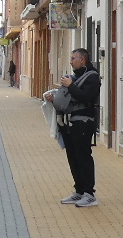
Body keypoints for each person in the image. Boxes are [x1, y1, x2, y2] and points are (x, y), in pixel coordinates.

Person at [43, 48, 100, 207]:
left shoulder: (92, 77)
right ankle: (79, 191)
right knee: (73, 158)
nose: (71, 61)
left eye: (73, 58)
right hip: (70, 123)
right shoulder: (76, 77)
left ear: (82, 60)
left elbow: (86, 98)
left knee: (83, 157)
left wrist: (70, 86)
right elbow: (71, 98)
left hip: (83, 123)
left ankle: (89, 194)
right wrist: (55, 99)